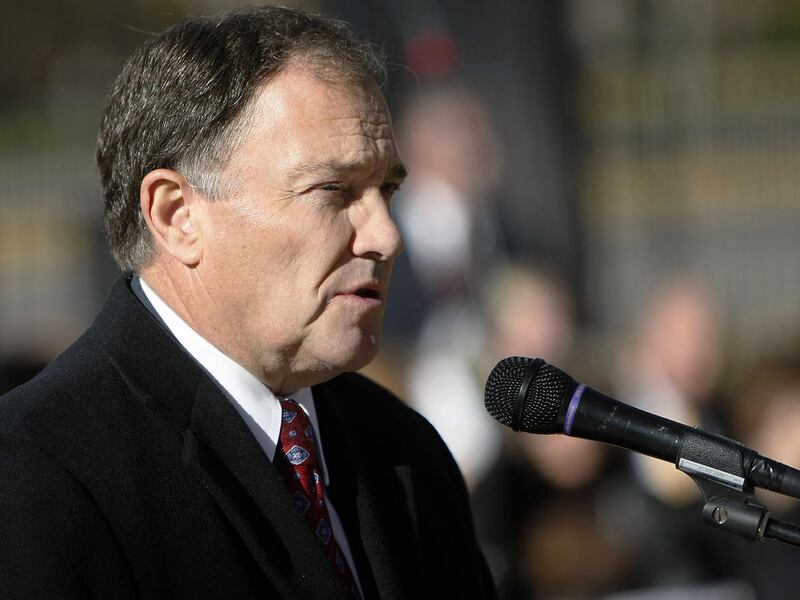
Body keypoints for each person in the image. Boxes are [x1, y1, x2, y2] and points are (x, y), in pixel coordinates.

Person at [0, 7, 495, 599]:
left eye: (387, 189)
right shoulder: (39, 474)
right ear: (177, 216)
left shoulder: (405, 455)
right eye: (333, 190)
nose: (387, 235)